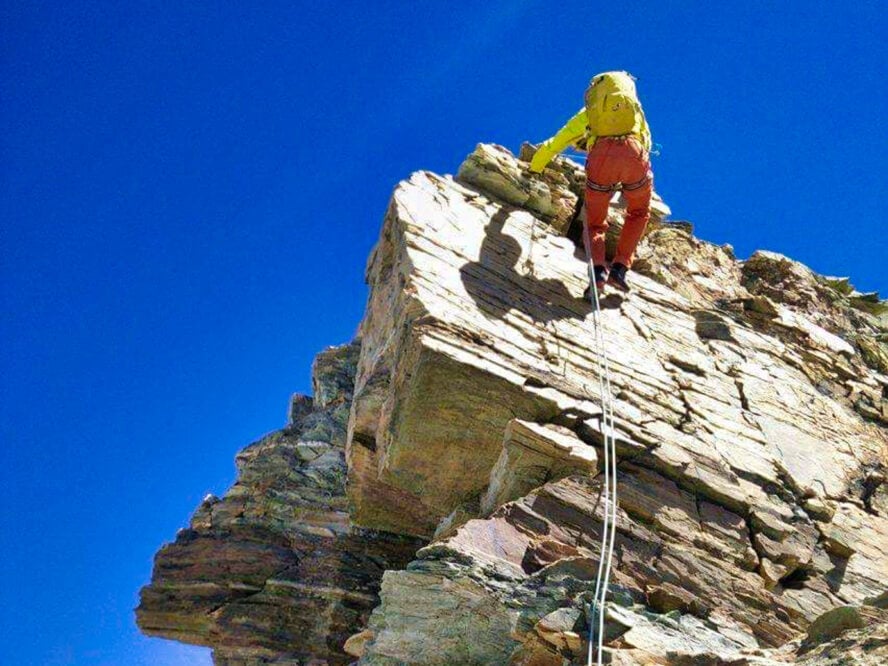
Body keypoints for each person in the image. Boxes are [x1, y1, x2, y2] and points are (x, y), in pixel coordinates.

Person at [529, 71, 653, 295]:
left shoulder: (590, 115)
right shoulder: (635, 112)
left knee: (595, 222)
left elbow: (556, 142)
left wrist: (535, 167)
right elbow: (647, 142)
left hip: (601, 160)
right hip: (634, 155)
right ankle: (620, 268)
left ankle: (598, 272)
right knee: (639, 212)